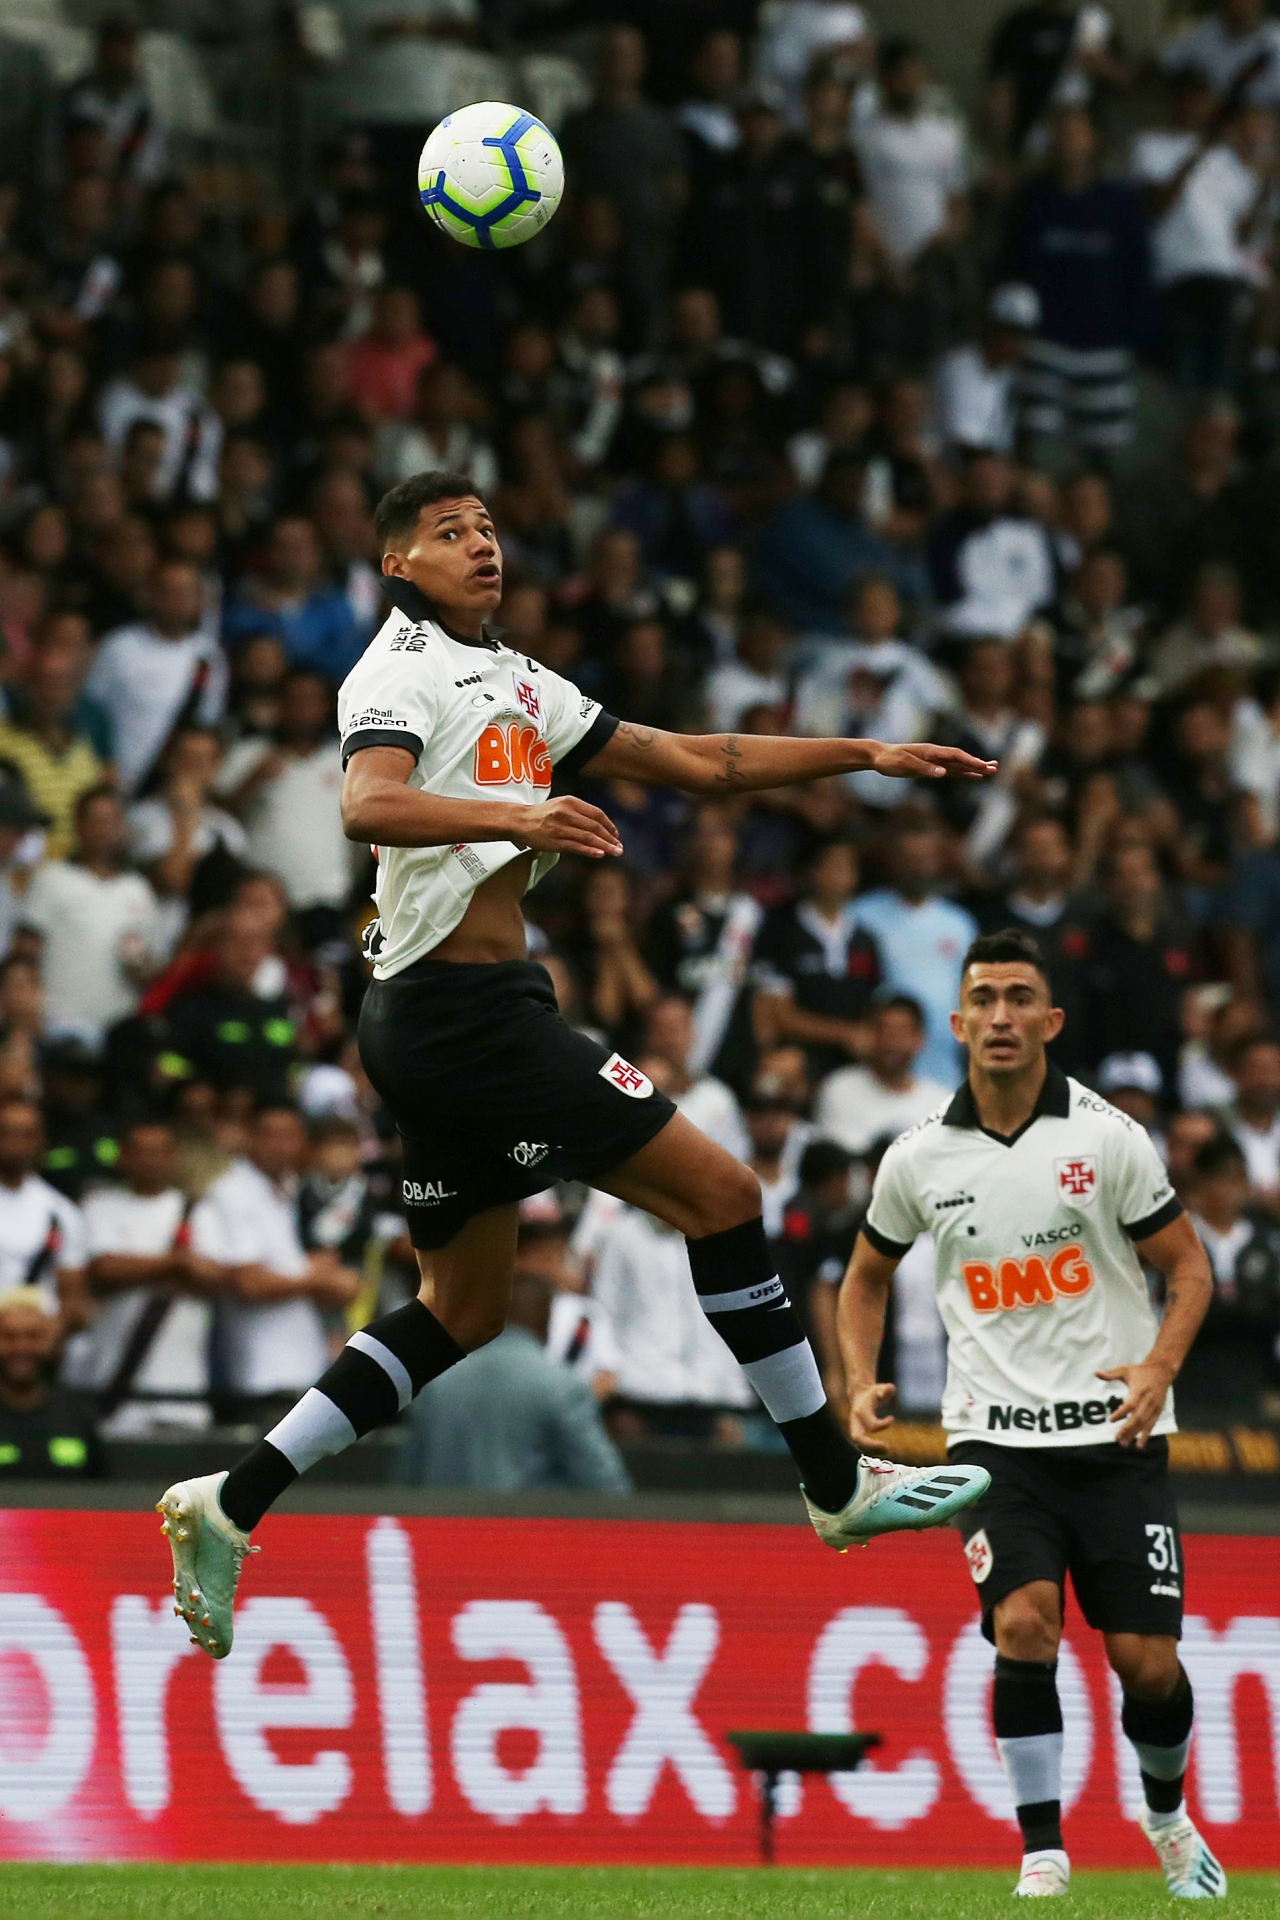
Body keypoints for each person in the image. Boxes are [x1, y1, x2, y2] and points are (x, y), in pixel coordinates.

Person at [157, 466, 996, 1659]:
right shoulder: (395, 671)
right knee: (724, 1194)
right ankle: (831, 1481)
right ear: (399, 561)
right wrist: (516, 817)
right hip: (468, 1014)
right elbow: (366, 805)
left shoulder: (516, 680)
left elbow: (696, 761)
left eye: (489, 527)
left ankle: (229, 1502)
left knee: (464, 1306)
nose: (480, 545)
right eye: (449, 532)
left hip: (438, 1017)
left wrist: (860, 755)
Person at [837, 928, 1223, 1898]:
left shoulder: (1105, 1140)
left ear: (1048, 1020)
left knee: (1145, 1666)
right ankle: (1040, 1851)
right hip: (992, 1442)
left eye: (1018, 998)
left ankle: (1166, 1818)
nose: (1000, 1017)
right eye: (983, 999)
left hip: (1117, 1438)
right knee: (1023, 1624)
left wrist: (1155, 1368)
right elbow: (862, 1277)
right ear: (958, 1020)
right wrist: (856, 1376)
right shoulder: (919, 1156)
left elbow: (1187, 1266)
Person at [189, 1102, 359, 1423]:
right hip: (264, 1379)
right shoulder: (233, 1192)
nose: (280, 1145)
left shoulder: (290, 1191)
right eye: (270, 1135)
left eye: (290, 1136)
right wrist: (318, 1278)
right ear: (249, 1136)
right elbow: (247, 1282)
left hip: (309, 1375)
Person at [397, 1272, 631, 1493]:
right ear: (546, 1322)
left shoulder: (438, 1382)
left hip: (443, 1530)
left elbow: (407, 1478)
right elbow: (606, 1484)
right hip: (523, 1532)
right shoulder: (561, 1386)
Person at [68, 1119, 227, 1434]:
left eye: (159, 1152)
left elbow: (214, 1276)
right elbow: (102, 1270)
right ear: (123, 1156)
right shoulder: (99, 1206)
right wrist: (177, 1264)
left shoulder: (199, 1210)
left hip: (184, 1385)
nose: (150, 1161)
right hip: (114, 1377)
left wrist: (138, 1268)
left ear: (174, 1156)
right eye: (141, 1152)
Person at [22, 784, 160, 1044]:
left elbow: (151, 966)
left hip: (120, 1027)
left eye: (112, 821)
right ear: (79, 826)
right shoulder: (51, 879)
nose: (104, 830)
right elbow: (26, 953)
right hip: (60, 1022)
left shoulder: (138, 889)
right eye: (96, 821)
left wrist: (140, 966)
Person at [815, 993, 952, 1155]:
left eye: (901, 1032)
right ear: (868, 1034)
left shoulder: (941, 1104)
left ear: (920, 1038)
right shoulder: (839, 1088)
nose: (892, 1041)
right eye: (883, 1030)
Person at [0, 1287, 102, 1479]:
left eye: (33, 1336)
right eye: (9, 1337)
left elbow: (102, 1492)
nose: (21, 1347)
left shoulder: (79, 1415)